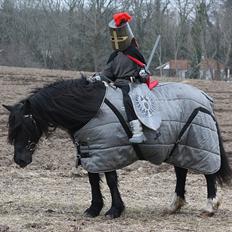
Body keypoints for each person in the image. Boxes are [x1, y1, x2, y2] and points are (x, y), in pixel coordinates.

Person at [90, 12, 149, 143]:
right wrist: (98, 78)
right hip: (116, 85)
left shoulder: (134, 53)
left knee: (128, 99)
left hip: (131, 85)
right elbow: (107, 73)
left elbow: (143, 71)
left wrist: (142, 73)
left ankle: (137, 130)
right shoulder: (114, 56)